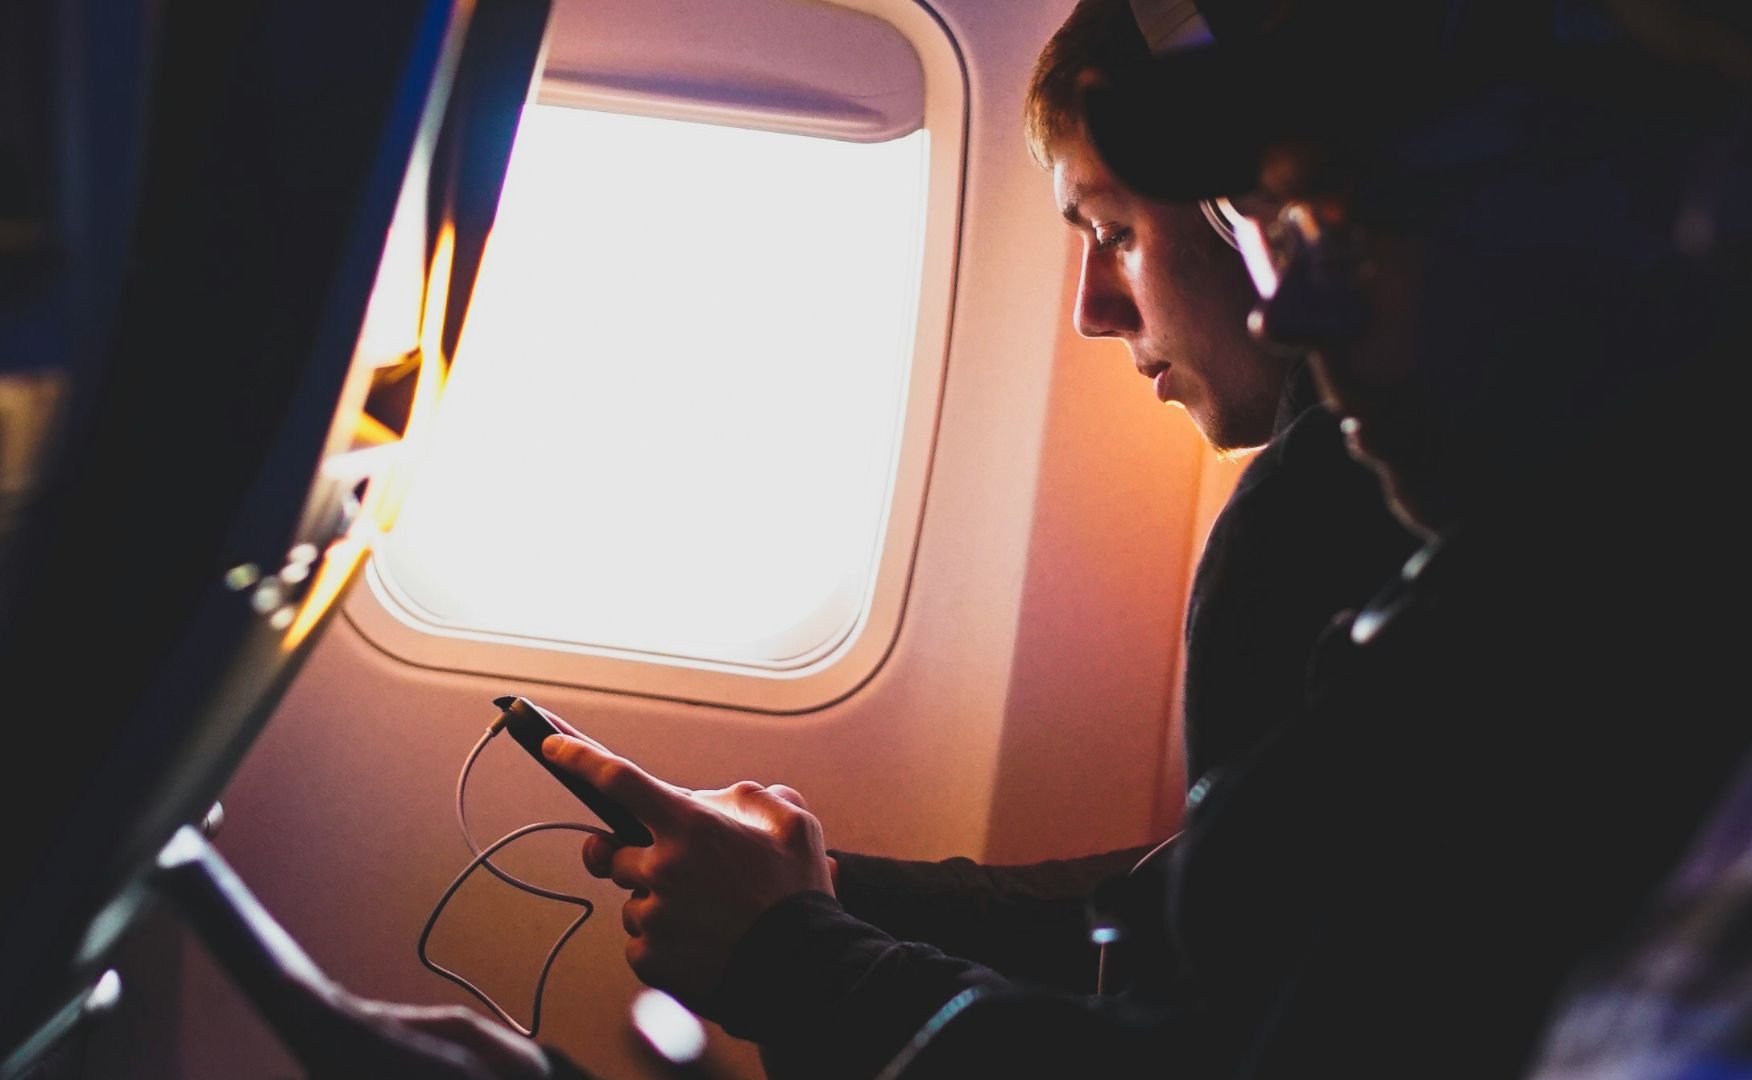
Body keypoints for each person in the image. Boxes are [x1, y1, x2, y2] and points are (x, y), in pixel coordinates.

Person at [537, 2, 1752, 1077]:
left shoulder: (1623, 610)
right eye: (1289, 222)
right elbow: (1201, 921)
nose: (1291, 315)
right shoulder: (1528, 570)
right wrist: (825, 896)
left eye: (1356, 223)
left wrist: (798, 957)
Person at [379, 2, 1414, 1075]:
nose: (1092, 312)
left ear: (1244, 211)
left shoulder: (1312, 525)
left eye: (1113, 233)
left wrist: (788, 951)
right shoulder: (1361, 504)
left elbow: (1195, 1053)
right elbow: (1172, 907)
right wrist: (814, 889)